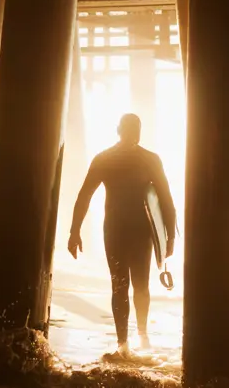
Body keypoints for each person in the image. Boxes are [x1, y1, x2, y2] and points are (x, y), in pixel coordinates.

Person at [68, 113, 176, 357]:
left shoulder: (147, 159)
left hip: (137, 232)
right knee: (121, 285)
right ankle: (124, 342)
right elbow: (85, 195)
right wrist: (74, 231)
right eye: (130, 128)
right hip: (118, 231)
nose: (134, 133)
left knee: (138, 285)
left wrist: (169, 236)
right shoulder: (108, 159)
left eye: (137, 128)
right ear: (119, 130)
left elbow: (166, 199)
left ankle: (139, 337)